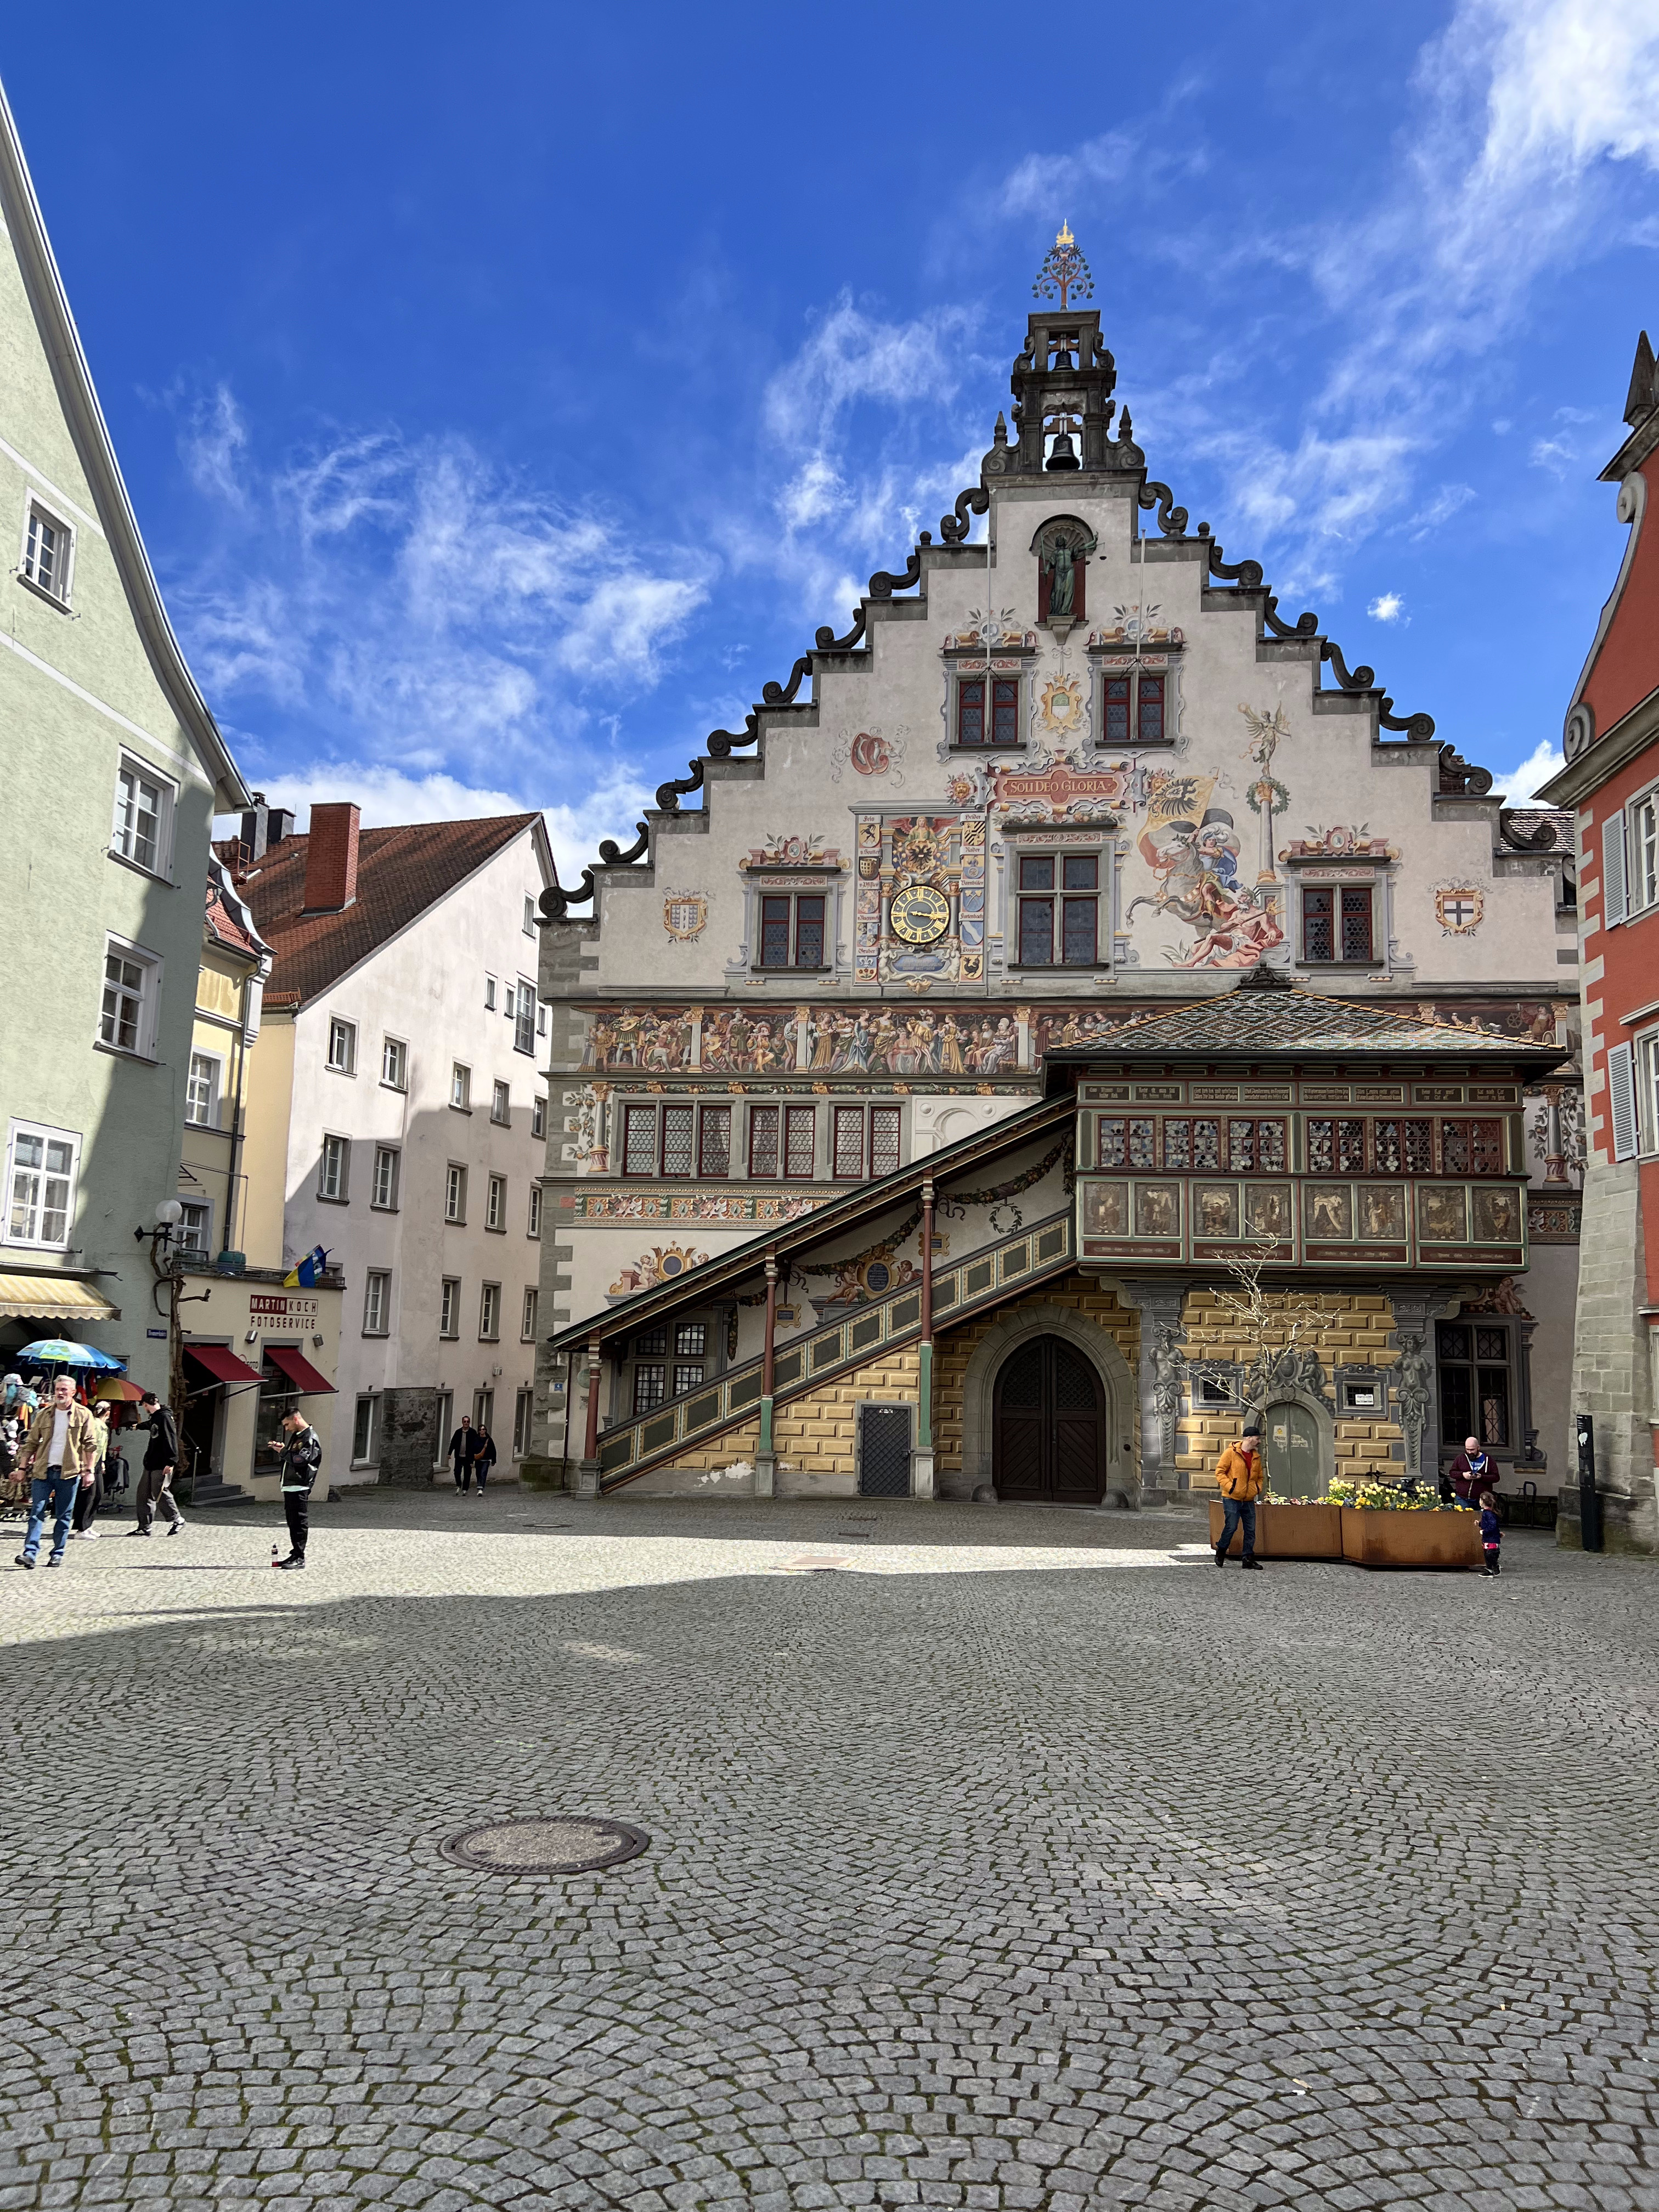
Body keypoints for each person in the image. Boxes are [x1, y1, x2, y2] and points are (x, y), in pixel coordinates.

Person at [13, 1374, 100, 1568]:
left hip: (69, 1473)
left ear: (73, 1392)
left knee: (64, 1515)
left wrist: (89, 1471)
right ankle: (30, 1554)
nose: (59, 1393)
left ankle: (57, 1554)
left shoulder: (84, 1414)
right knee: (36, 1512)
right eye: (57, 1389)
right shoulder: (44, 1414)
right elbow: (31, 1443)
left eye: (64, 1390)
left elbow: (90, 1445)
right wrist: (21, 1467)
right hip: (43, 1472)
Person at [266, 1408, 322, 1569]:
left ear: (296, 1420)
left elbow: (300, 1460)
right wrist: (283, 1450)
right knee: (293, 1522)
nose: (286, 1428)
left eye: (287, 1424)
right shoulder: (298, 1437)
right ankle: (295, 1554)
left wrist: (282, 1451)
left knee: (299, 1521)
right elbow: (293, 1457)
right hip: (291, 1485)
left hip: (300, 1484)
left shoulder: (310, 1438)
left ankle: (299, 1557)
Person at [133, 1391, 185, 1537]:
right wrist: (137, 1426)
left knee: (160, 1492)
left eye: (144, 1406)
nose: (144, 1409)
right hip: (151, 1463)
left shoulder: (165, 1417)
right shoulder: (157, 1417)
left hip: (162, 1464)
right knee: (143, 1493)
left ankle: (177, 1520)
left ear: (146, 1404)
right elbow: (151, 1425)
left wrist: (171, 1461)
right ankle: (144, 1527)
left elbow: (171, 1439)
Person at [1214, 1425, 1266, 1571]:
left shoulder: (1256, 1456)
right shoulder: (1231, 1453)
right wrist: (1231, 1487)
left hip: (1248, 1499)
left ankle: (1248, 1559)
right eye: (1257, 1438)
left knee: (1250, 1530)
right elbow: (1220, 1472)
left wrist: (1257, 1489)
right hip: (1232, 1498)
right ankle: (1221, 1550)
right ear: (1249, 1439)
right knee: (1232, 1526)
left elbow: (1260, 1477)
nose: (1259, 1441)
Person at [72, 1401, 111, 1539]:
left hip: (98, 1461)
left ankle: (88, 1526)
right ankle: (81, 1528)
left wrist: (103, 1461)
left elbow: (103, 1446)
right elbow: (88, 1444)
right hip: (90, 1461)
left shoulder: (103, 1426)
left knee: (98, 1494)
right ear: (108, 1412)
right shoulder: (94, 1424)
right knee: (88, 1495)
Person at [1447, 1436, 1494, 1509]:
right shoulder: (1461, 1458)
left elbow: (1496, 1477)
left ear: (1478, 1448)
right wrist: (1463, 1475)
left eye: (1472, 1450)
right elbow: (1452, 1473)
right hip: (1462, 1498)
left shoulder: (1488, 1459)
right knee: (1463, 1520)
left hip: (1481, 1500)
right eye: (1467, 1449)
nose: (1469, 1452)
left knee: (1481, 1520)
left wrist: (1482, 1477)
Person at [447, 1413, 478, 1494]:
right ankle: (459, 1485)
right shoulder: (458, 1432)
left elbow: (476, 1445)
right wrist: (449, 1453)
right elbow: (453, 1443)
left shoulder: (473, 1432)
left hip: (468, 1457)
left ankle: (465, 1489)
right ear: (462, 1422)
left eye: (468, 1422)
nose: (466, 1423)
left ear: (469, 1423)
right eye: (465, 1421)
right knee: (457, 1472)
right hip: (459, 1456)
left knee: (467, 1474)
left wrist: (474, 1457)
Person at [1478, 1489, 1502, 1577]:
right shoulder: (1486, 1513)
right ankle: (1489, 1569)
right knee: (1487, 1554)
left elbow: (1492, 1525)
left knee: (1490, 1554)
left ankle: (1495, 1567)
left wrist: (1484, 1531)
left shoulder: (1489, 1513)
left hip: (1491, 1538)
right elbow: (1487, 1523)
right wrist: (1480, 1524)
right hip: (1488, 1538)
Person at [471, 1426, 498, 1494]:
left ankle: (481, 1488)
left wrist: (494, 1461)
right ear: (479, 1431)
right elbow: (472, 1450)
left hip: (486, 1459)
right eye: (480, 1430)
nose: (482, 1431)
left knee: (483, 1473)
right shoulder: (476, 1439)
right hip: (478, 1459)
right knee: (478, 1474)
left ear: (485, 1430)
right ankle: (479, 1484)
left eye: (483, 1429)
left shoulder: (489, 1440)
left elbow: (493, 1450)